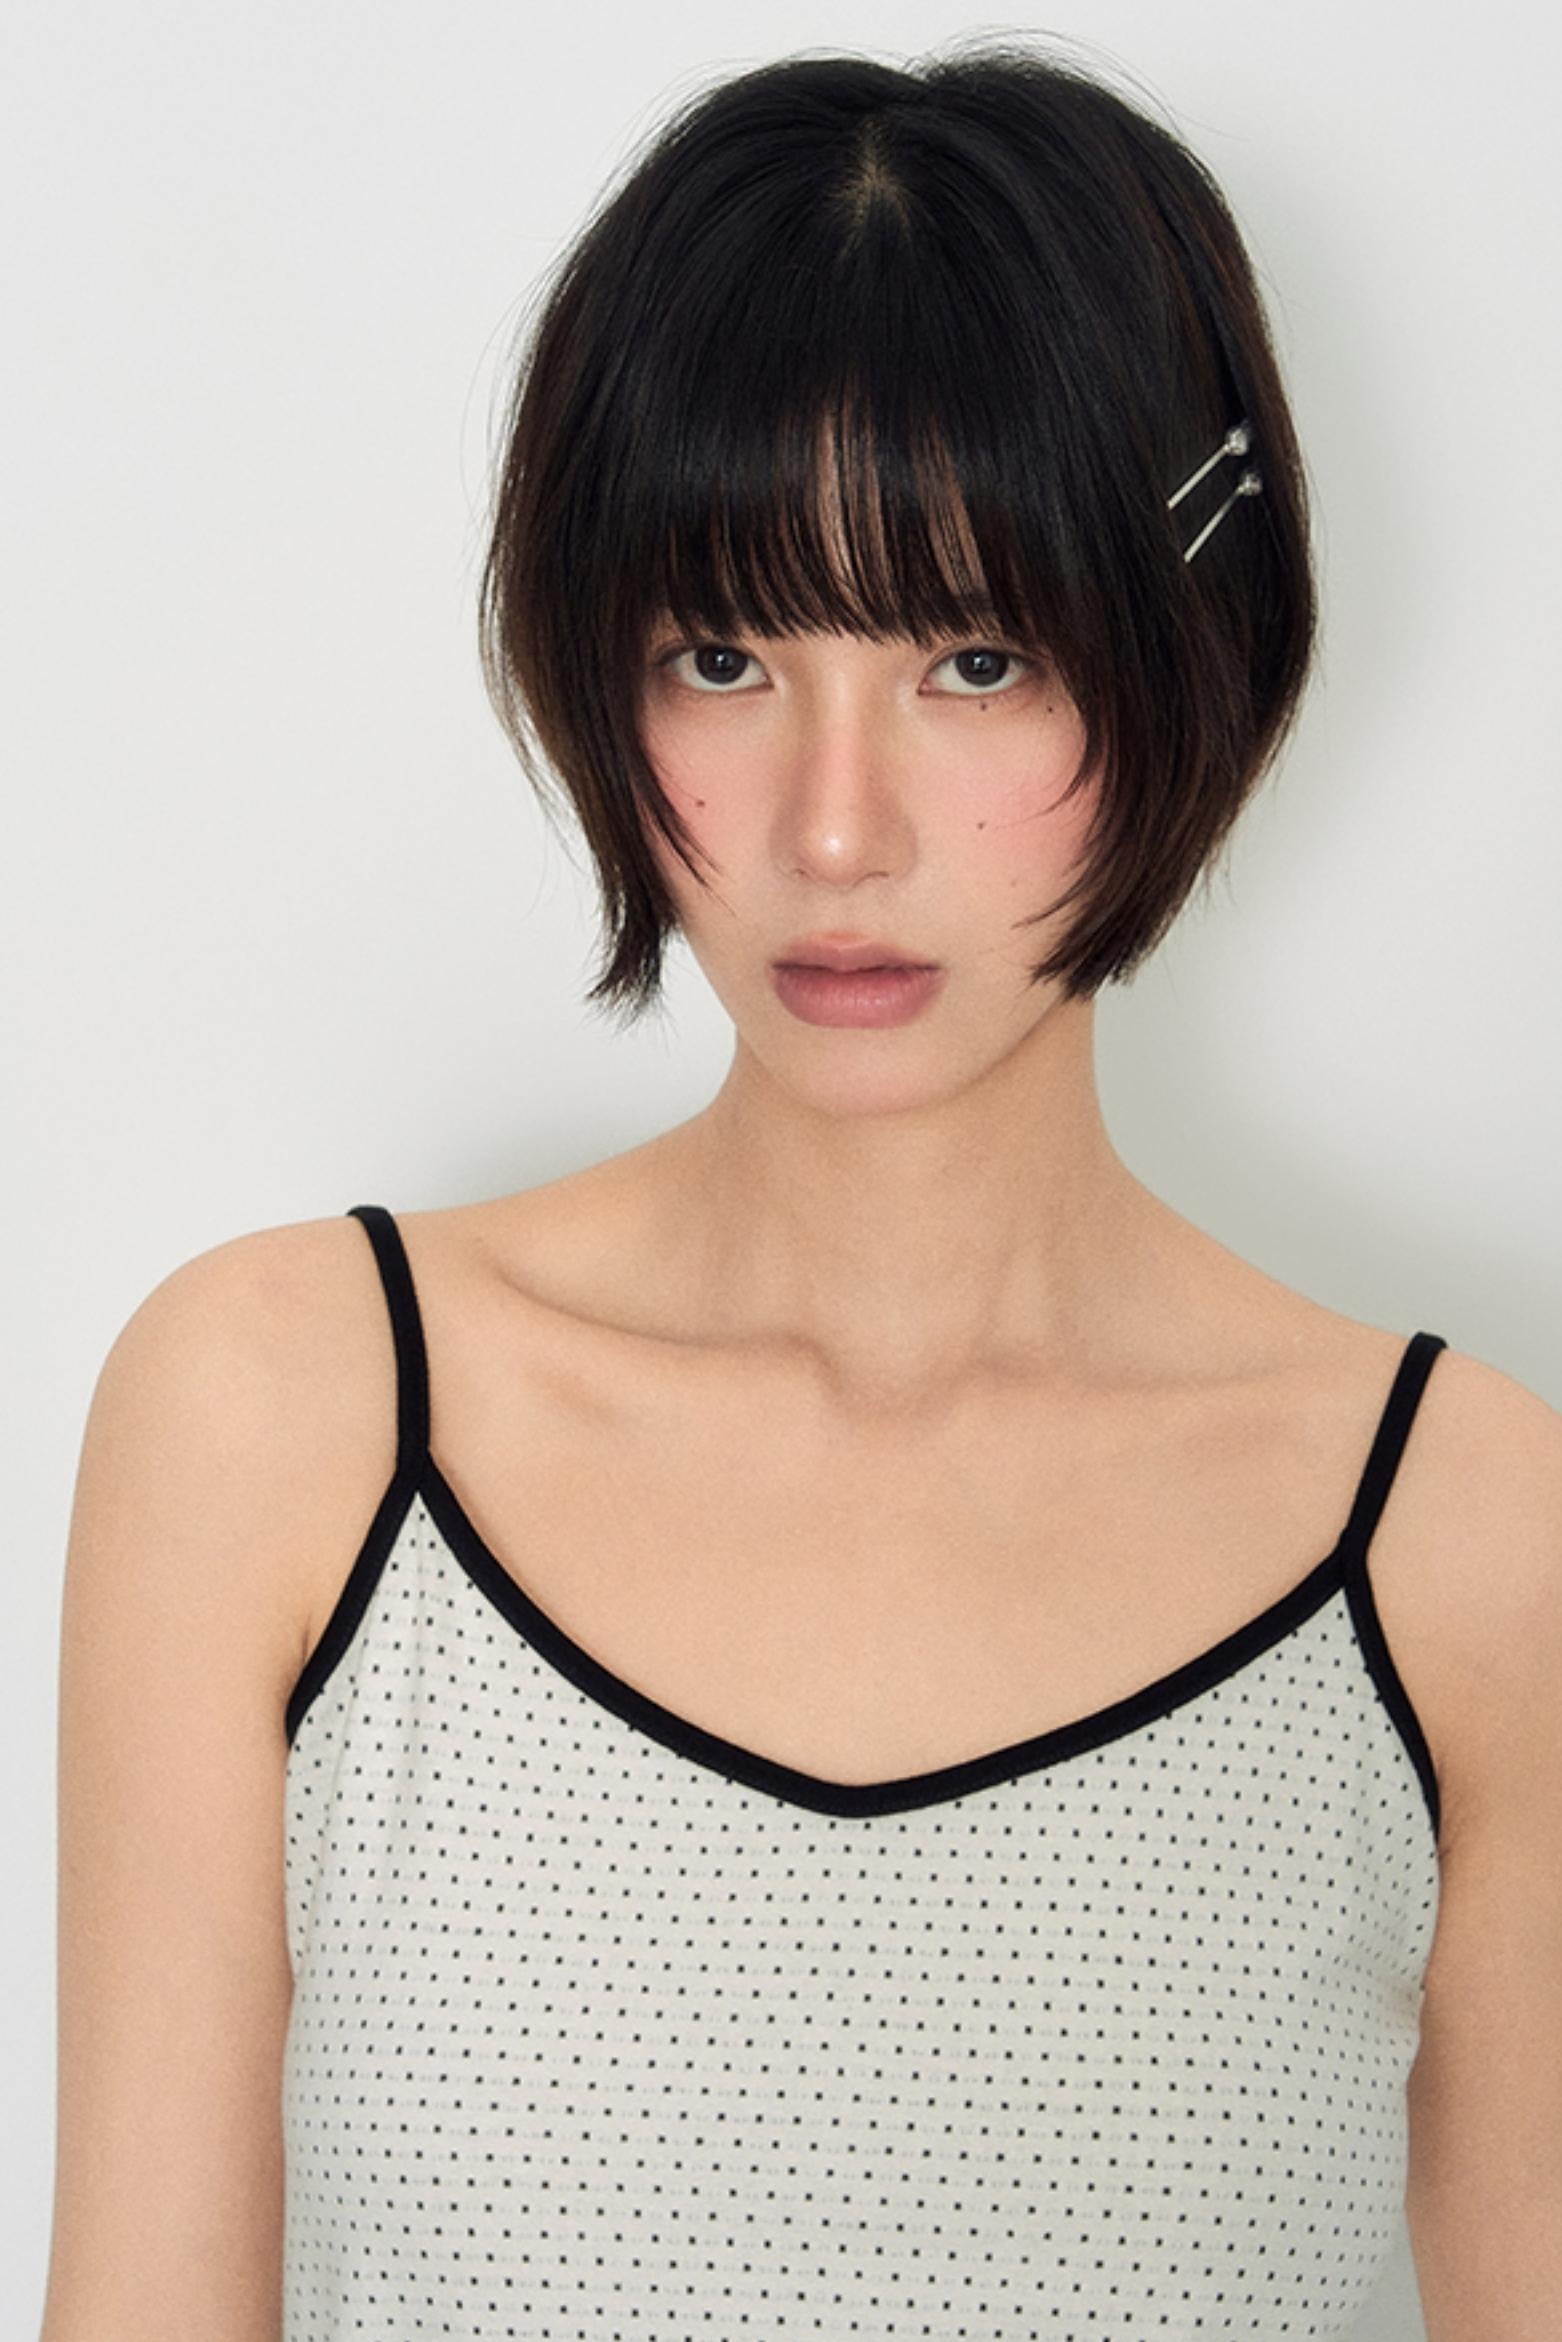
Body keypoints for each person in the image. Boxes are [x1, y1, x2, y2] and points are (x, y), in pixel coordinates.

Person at [40, 34, 1562, 2342]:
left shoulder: (1468, 1543)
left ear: (1196, 655)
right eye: (723, 654)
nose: (833, 830)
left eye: (977, 657)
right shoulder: (282, 1425)